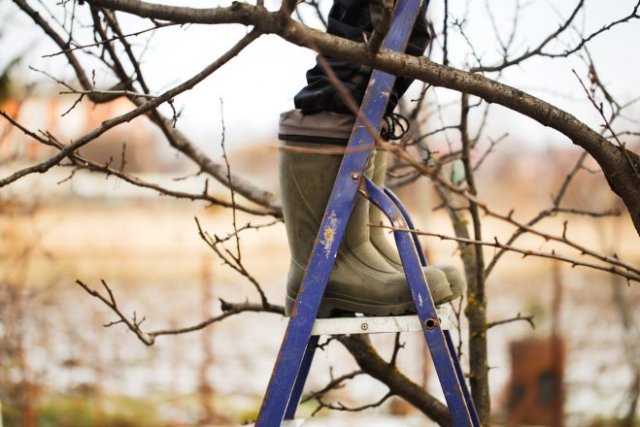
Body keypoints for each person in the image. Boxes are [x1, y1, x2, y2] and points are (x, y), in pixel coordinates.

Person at [278, 0, 464, 317]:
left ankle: (351, 257)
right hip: (328, 265)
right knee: (360, 44)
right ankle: (325, 268)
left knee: (406, 39)